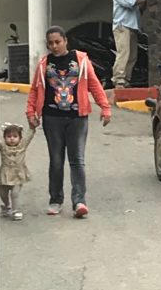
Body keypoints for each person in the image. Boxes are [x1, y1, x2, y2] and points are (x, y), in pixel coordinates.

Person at [26, 26, 111, 217]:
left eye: (58, 42)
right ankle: (55, 200)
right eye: (51, 43)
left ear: (65, 41)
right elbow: (35, 89)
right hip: (51, 118)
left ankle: (79, 201)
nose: (54, 46)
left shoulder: (81, 60)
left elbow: (94, 84)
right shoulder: (44, 64)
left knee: (77, 160)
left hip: (77, 118)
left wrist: (105, 107)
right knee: (56, 161)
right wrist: (31, 112)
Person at [111, 0, 146, 88]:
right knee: (123, 52)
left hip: (132, 26)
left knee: (132, 55)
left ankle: (126, 79)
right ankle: (118, 79)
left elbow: (136, 11)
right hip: (122, 26)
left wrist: (143, 4)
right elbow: (127, 3)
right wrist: (142, 0)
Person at [0, 122, 34, 221]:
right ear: (4, 138)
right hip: (5, 174)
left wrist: (32, 127)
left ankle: (16, 210)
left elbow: (29, 136)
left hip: (18, 174)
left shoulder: (22, 145)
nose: (12, 138)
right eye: (8, 136)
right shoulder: (2, 146)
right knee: (2, 193)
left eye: (15, 136)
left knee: (15, 193)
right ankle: (6, 205)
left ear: (20, 138)